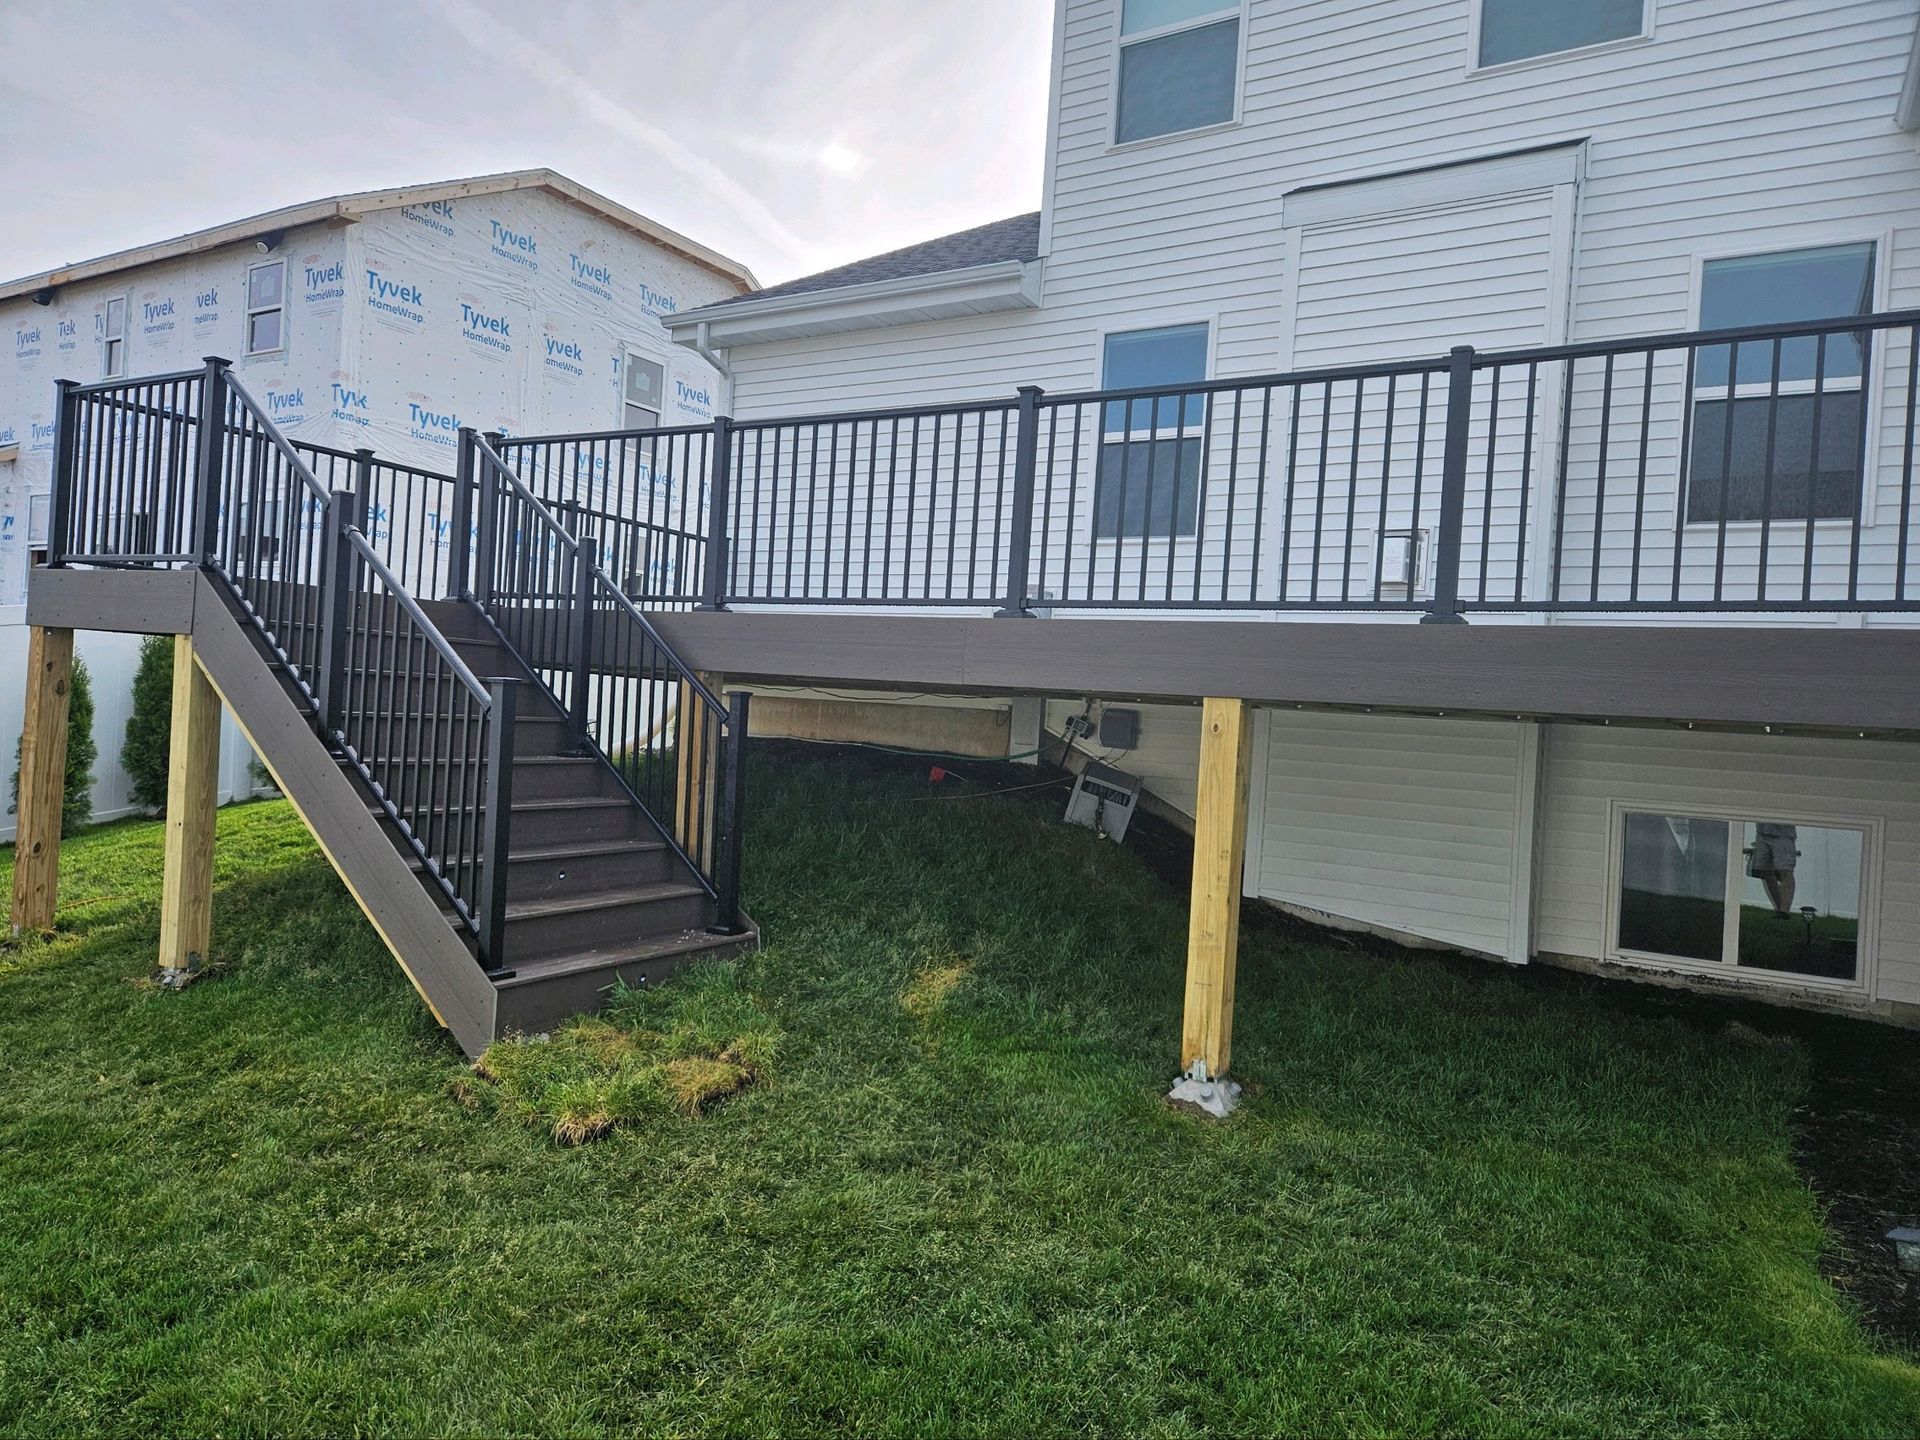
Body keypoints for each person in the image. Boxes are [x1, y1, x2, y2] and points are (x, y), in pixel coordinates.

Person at [1748, 822, 1799, 916]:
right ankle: (1779, 907)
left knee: (1785, 870)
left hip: (1783, 834)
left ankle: (1784, 910)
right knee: (1765, 871)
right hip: (1762, 831)